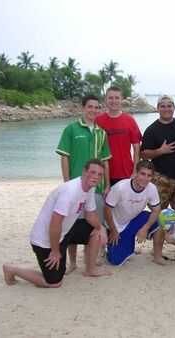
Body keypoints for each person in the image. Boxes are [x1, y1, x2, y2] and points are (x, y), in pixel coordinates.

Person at [2, 159, 110, 288]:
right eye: (92, 172)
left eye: (99, 174)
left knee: (96, 231)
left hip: (64, 232)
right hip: (45, 240)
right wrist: (55, 251)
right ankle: (11, 270)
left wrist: (101, 227)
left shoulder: (90, 188)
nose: (96, 177)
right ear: (84, 172)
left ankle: (90, 270)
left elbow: (90, 215)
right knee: (54, 282)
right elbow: (55, 224)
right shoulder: (70, 191)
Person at [56, 94, 111, 272]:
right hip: (75, 187)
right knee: (71, 224)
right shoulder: (71, 129)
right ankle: (72, 262)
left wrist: (107, 184)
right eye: (90, 107)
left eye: (96, 108)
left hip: (97, 188)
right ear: (83, 108)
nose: (93, 111)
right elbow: (65, 156)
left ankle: (90, 260)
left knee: (93, 225)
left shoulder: (101, 133)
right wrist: (66, 183)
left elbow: (106, 161)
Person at [104, 160, 167, 266]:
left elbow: (156, 210)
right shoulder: (120, 187)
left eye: (149, 175)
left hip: (133, 220)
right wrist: (114, 230)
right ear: (136, 173)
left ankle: (157, 256)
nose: (145, 178)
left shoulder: (151, 188)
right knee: (115, 260)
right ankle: (116, 244)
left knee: (159, 218)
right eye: (142, 174)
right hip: (116, 225)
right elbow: (106, 209)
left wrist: (145, 227)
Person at [140, 95, 175, 209]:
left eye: (169, 106)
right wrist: (160, 151)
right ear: (158, 108)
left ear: (174, 107)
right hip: (161, 177)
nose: (166, 109)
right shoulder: (152, 129)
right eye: (162, 106)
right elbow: (143, 154)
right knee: (157, 212)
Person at [95, 86, 142, 186]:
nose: (114, 101)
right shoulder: (97, 120)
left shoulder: (130, 120)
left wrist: (135, 172)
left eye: (117, 98)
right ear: (105, 100)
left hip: (126, 173)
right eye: (110, 98)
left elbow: (137, 148)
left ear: (121, 100)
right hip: (102, 173)